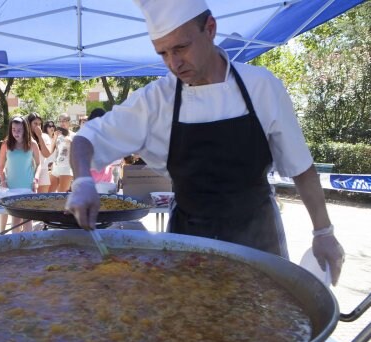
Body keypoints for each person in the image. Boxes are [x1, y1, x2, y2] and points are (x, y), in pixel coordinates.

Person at [66, 0, 345, 285]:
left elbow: (301, 167)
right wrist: (83, 182)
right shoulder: (156, 101)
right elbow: (86, 139)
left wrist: (323, 233)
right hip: (187, 242)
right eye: (163, 53)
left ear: (210, 28)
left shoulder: (261, 86)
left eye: (180, 47)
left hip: (260, 241)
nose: (173, 63)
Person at [0, 116, 40, 233]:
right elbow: (1, 166)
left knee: (28, 220)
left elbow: (39, 164)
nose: (16, 133)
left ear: (25, 130)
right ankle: (16, 248)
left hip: (28, 186)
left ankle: (27, 248)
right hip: (11, 187)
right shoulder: (6, 144)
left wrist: (36, 179)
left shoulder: (32, 144)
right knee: (15, 221)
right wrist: (3, 181)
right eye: (13, 130)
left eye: (19, 130)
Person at [27, 112, 56, 193]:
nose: (38, 126)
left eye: (40, 124)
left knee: (42, 201)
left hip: (42, 171)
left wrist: (39, 136)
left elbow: (46, 154)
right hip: (27, 172)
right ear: (29, 124)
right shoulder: (24, 137)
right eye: (35, 123)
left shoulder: (45, 136)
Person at [49, 113, 74, 192]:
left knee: (62, 196)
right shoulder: (57, 135)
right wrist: (55, 137)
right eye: (60, 121)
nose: (62, 123)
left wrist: (69, 141)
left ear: (69, 122)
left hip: (66, 168)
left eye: (64, 121)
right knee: (49, 194)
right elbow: (52, 150)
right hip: (56, 167)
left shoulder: (74, 135)